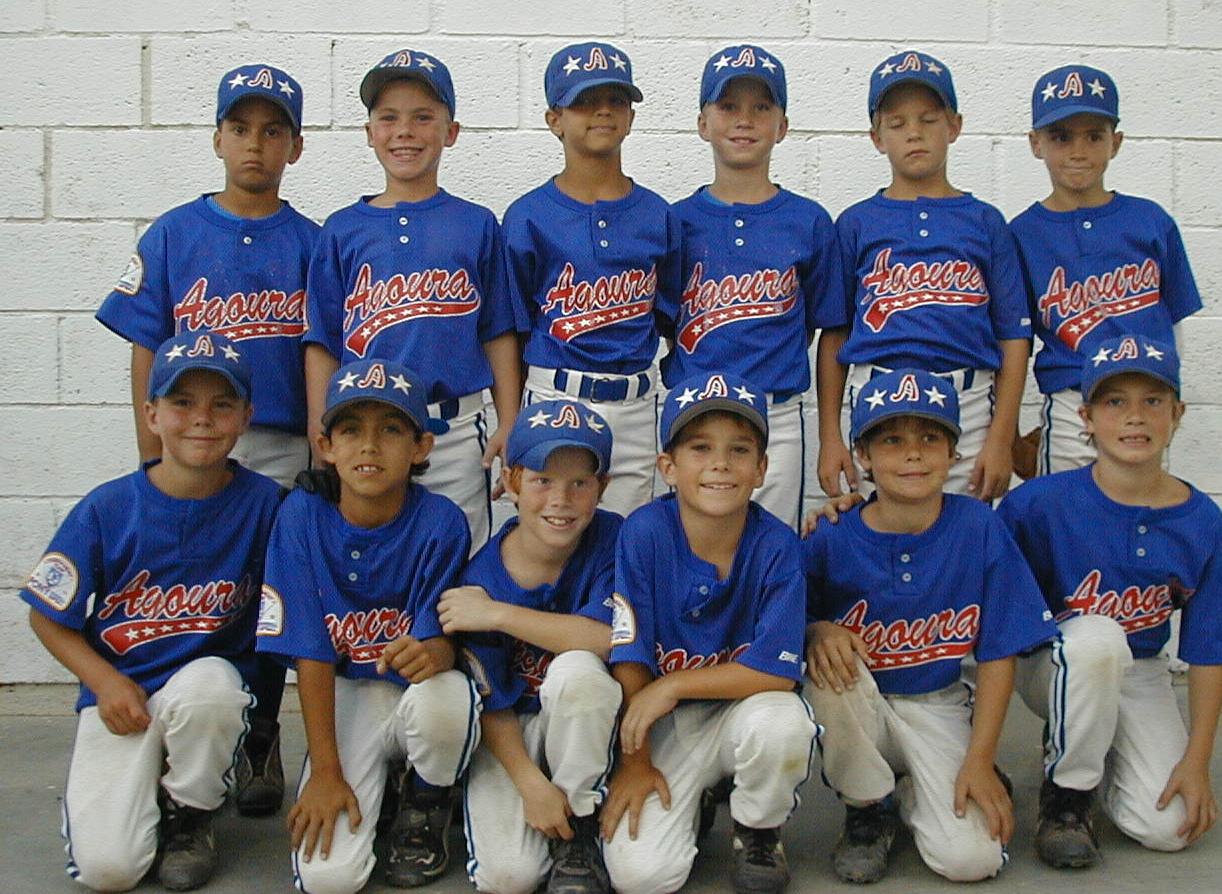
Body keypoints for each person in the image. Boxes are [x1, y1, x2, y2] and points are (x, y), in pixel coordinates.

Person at [96, 63, 315, 815]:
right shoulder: (174, 234)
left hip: (279, 443)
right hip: (187, 445)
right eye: (240, 128)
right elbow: (143, 344)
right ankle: (184, 734)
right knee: (192, 587)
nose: (255, 144)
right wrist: (149, 448)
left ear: (295, 146)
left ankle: (259, 735)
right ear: (217, 138)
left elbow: (323, 352)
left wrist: (318, 449)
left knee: (268, 596)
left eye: (273, 131)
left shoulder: (312, 243)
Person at [22, 332, 281, 892]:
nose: (202, 419)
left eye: (222, 404)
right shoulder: (107, 507)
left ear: (245, 418)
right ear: (151, 414)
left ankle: (192, 813)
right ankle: (152, 787)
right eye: (182, 402)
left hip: (205, 691)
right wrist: (104, 681)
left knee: (212, 690)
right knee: (110, 871)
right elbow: (46, 614)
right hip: (125, 694)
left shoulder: (266, 503)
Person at [997, 336, 1222, 868]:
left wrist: (1196, 762)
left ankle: (1100, 753)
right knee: (1096, 639)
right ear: (1087, 418)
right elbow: (988, 613)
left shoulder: (1201, 519)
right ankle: (1067, 798)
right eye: (1115, 401)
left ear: (1177, 415)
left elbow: (1211, 649)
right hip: (1050, 665)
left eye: (1153, 401)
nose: (1135, 416)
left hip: (1140, 671)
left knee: (1168, 828)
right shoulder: (1038, 504)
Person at [804, 368, 1056, 883]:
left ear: (953, 454)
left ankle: (916, 786)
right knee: (829, 666)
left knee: (971, 861)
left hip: (939, 703)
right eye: (892, 441)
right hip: (862, 705)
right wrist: (815, 630)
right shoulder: (831, 533)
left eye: (929, 439)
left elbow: (998, 652)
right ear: (863, 456)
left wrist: (980, 760)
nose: (913, 455)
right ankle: (866, 809)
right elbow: (784, 620)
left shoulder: (979, 525)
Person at [257, 358, 480, 893]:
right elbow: (310, 651)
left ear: (422, 447)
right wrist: (326, 773)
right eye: (351, 430)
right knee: (329, 879)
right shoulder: (301, 515)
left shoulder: (443, 520)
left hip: (412, 694)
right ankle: (378, 787)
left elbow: (440, 642)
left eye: (391, 430)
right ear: (326, 446)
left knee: (449, 697)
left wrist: (436, 653)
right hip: (344, 694)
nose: (369, 446)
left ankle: (424, 804)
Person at [602, 372, 818, 894]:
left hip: (740, 712)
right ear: (668, 467)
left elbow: (776, 673)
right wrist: (635, 764)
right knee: (642, 878)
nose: (720, 463)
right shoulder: (644, 532)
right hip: (666, 727)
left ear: (761, 468)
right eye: (700, 448)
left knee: (783, 722)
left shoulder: (777, 544)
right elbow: (629, 649)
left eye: (739, 449)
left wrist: (673, 683)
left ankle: (758, 827)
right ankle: (696, 798)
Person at [303, 49, 521, 549]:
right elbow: (322, 342)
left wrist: (509, 421)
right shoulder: (342, 229)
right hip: (367, 431)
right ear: (369, 133)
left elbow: (498, 331)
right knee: (376, 554)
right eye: (389, 118)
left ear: (451, 131)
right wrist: (321, 432)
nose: (405, 131)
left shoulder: (476, 223)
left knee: (460, 555)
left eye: (423, 117)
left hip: (454, 428)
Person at [816, 51, 1031, 503]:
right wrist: (830, 435)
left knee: (964, 531)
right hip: (876, 397)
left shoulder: (986, 222)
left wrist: (1002, 439)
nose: (914, 133)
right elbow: (835, 334)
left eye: (929, 120)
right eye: (897, 123)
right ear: (877, 137)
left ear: (954, 126)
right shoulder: (856, 223)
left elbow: (1013, 337)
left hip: (968, 401)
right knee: (878, 527)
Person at [439, 399, 621, 894]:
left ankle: (580, 825)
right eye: (542, 480)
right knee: (509, 878)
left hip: (585, 728)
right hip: (510, 733)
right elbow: (490, 699)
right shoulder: (480, 575)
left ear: (602, 487)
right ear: (512, 481)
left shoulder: (613, 539)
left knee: (579, 671)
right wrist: (530, 783)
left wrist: (499, 614)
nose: (560, 499)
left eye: (580, 482)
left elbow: (607, 639)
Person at [665, 44, 844, 528]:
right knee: (692, 545)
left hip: (776, 415)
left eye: (761, 107)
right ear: (703, 124)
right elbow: (661, 323)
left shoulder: (809, 221)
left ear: (782, 126)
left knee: (773, 545)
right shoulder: (674, 222)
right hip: (694, 414)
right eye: (728, 107)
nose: (744, 120)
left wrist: (830, 434)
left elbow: (828, 329)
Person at [505, 41, 681, 516]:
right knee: (554, 532)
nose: (602, 111)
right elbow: (515, 329)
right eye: (584, 101)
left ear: (631, 117)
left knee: (627, 533)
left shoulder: (658, 214)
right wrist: (511, 419)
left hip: (635, 404)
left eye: (615, 100)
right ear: (554, 120)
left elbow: (669, 319)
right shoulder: (527, 216)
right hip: (555, 393)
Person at [1009, 66, 1201, 477]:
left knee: (1138, 501)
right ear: (1036, 143)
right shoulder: (1021, 234)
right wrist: (1008, 433)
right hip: (1071, 398)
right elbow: (1015, 337)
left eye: (1094, 136)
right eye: (1061, 137)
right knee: (1065, 507)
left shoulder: (1150, 220)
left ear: (1115, 142)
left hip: (1142, 395)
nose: (1078, 151)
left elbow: (1174, 322)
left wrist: (1166, 394)